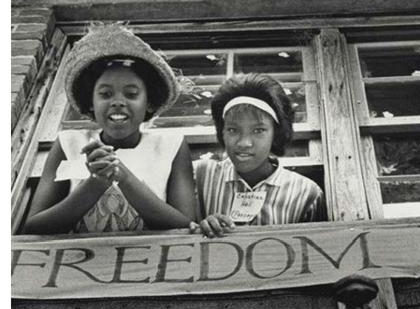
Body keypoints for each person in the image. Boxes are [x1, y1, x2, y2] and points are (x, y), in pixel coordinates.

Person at [24, 24, 196, 234]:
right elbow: (33, 227)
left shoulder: (171, 145)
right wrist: (95, 184)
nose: (117, 102)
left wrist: (123, 177)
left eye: (131, 94)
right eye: (105, 94)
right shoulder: (70, 143)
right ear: (90, 103)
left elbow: (188, 226)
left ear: (149, 103)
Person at [193, 73, 326, 237]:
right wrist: (201, 228)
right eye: (233, 130)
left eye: (258, 130)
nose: (244, 143)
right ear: (222, 132)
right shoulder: (201, 176)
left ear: (275, 133)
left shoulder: (306, 193)